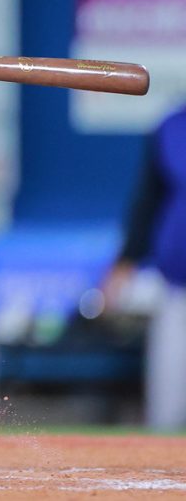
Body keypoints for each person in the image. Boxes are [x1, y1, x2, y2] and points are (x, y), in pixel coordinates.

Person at [102, 103, 186, 431]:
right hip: (177, 285)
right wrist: (124, 264)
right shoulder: (173, 126)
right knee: (166, 405)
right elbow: (148, 201)